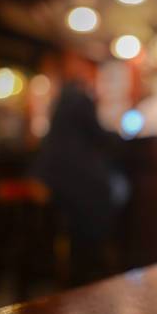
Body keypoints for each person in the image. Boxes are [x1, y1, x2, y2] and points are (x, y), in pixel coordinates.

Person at [31, 79, 128, 284]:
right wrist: (118, 136)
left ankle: (70, 256)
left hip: (47, 177)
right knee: (118, 188)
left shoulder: (59, 103)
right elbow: (98, 134)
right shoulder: (82, 100)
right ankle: (95, 258)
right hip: (73, 181)